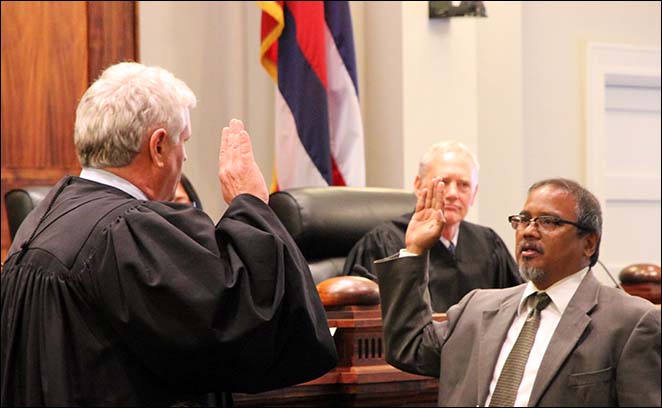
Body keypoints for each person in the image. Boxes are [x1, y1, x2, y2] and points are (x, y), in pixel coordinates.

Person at [0, 62, 337, 406]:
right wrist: (250, 204)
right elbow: (241, 323)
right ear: (158, 146)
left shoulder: (44, 216)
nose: (185, 155)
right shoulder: (128, 231)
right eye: (183, 141)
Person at [377, 177, 661, 406]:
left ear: (589, 243)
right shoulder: (477, 308)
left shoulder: (632, 323)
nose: (528, 231)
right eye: (523, 220)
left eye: (548, 221)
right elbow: (409, 347)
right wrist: (414, 251)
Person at [343, 141, 521, 312]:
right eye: (443, 182)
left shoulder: (488, 244)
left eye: (463, 185)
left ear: (474, 194)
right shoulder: (383, 242)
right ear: (418, 186)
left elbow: (516, 307)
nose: (452, 194)